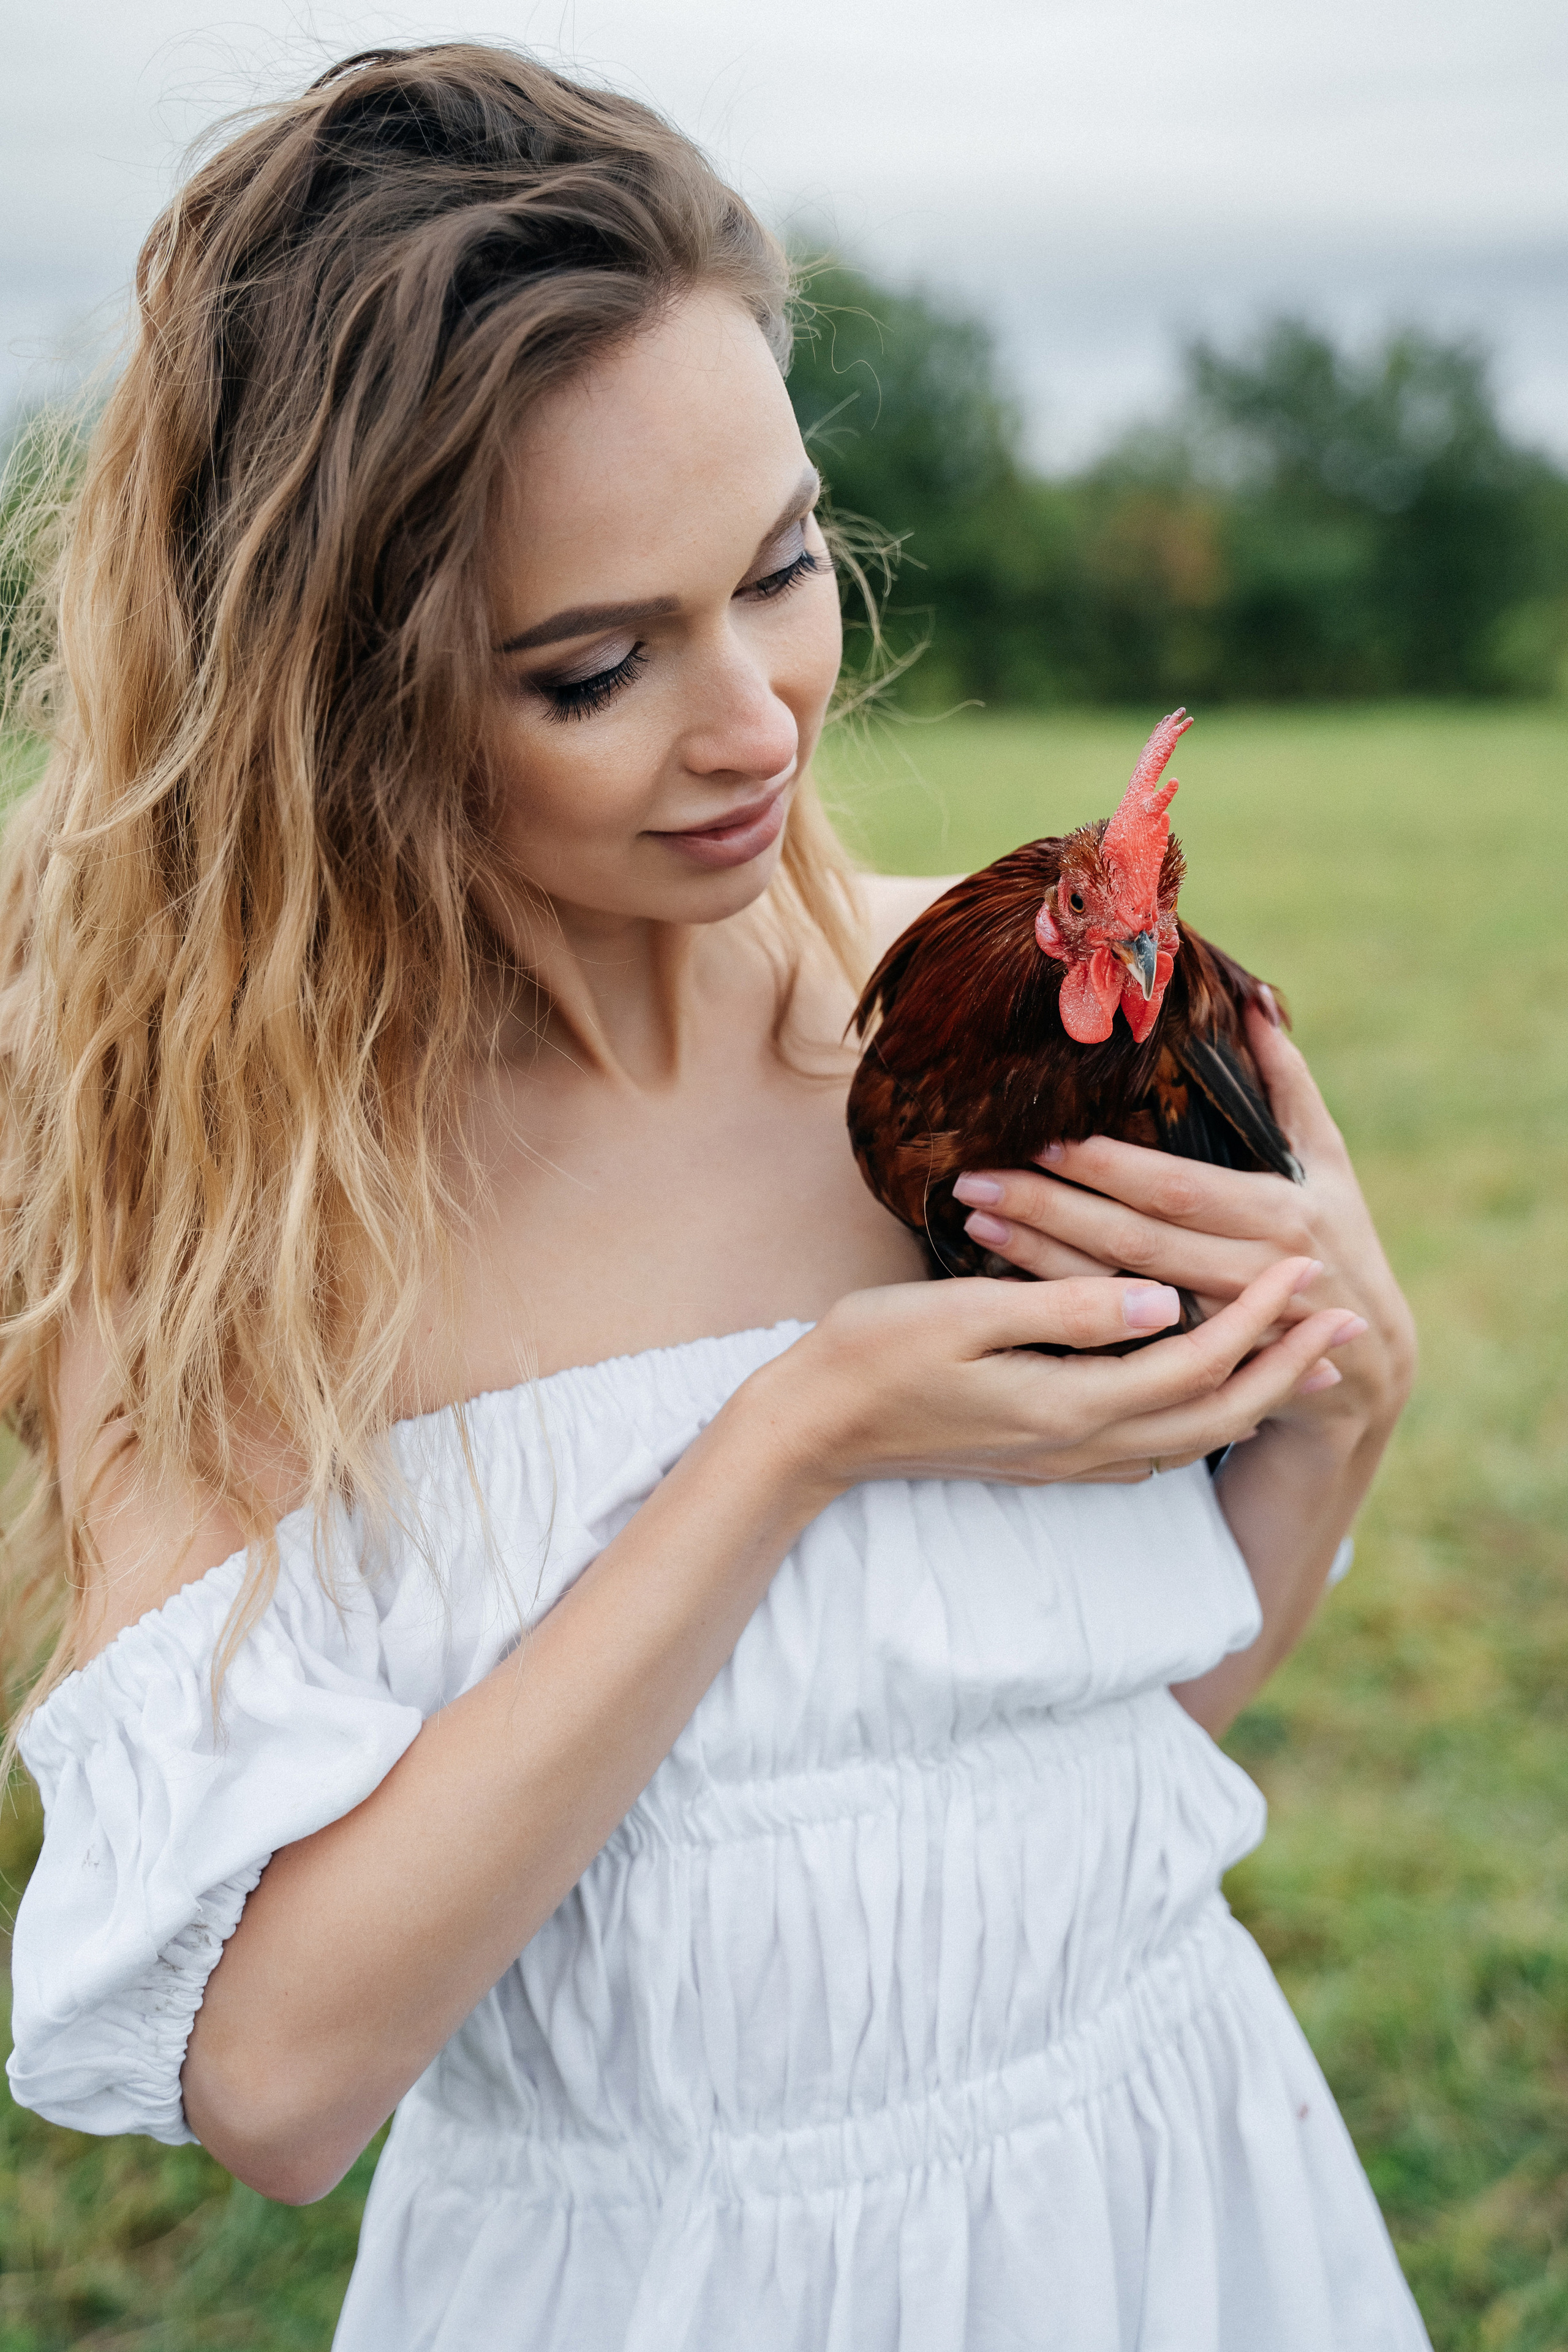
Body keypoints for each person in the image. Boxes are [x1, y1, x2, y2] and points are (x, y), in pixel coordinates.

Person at [1, 43, 1428, 2352]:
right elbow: (277, 2079)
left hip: (1169, 2198)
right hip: (655, 2286)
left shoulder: (991, 1059)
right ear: (337, 709)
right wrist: (793, 1438)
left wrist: (1341, 1411)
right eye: (593, 666)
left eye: (777, 567)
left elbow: (1102, 1748)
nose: (760, 717)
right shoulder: (262, 1210)